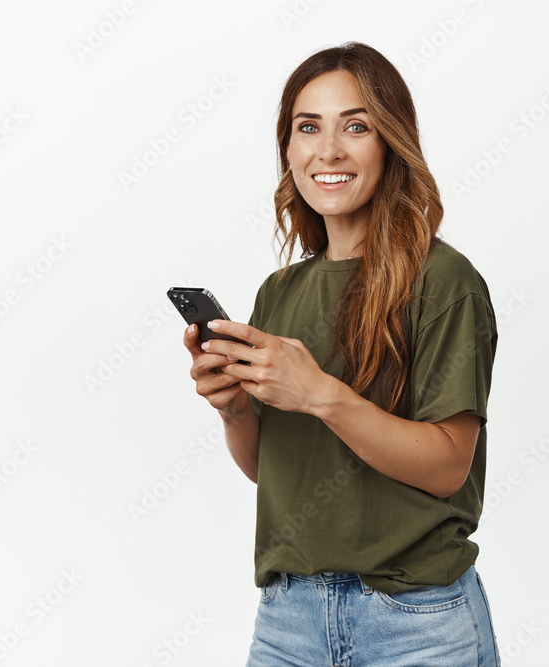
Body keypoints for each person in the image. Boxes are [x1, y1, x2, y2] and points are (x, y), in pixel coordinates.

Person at [182, 42, 500, 666]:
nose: (328, 151)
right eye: (308, 128)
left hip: (417, 623)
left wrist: (320, 394)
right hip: (289, 620)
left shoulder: (444, 281)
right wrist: (236, 412)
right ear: (289, 149)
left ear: (391, 143)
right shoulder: (279, 292)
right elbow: (268, 469)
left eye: (356, 126)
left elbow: (446, 468)